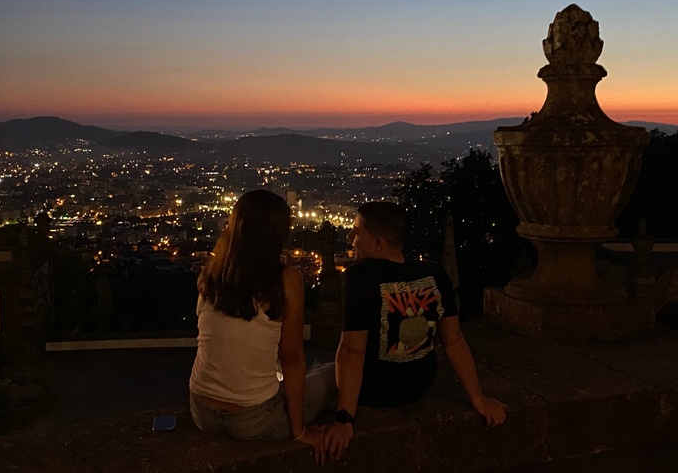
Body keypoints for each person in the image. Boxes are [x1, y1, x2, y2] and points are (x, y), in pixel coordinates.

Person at [323, 202, 507, 459]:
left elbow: (353, 351)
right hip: (418, 384)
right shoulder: (434, 273)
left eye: (356, 231)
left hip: (374, 391)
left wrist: (344, 420)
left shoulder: (359, 278)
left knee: (313, 379)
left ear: (377, 243)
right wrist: (479, 399)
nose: (350, 238)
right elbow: (453, 340)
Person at [188, 190, 327, 462]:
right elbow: (292, 357)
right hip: (254, 419)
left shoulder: (212, 272)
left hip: (201, 410)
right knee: (332, 373)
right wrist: (299, 432)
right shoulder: (287, 279)